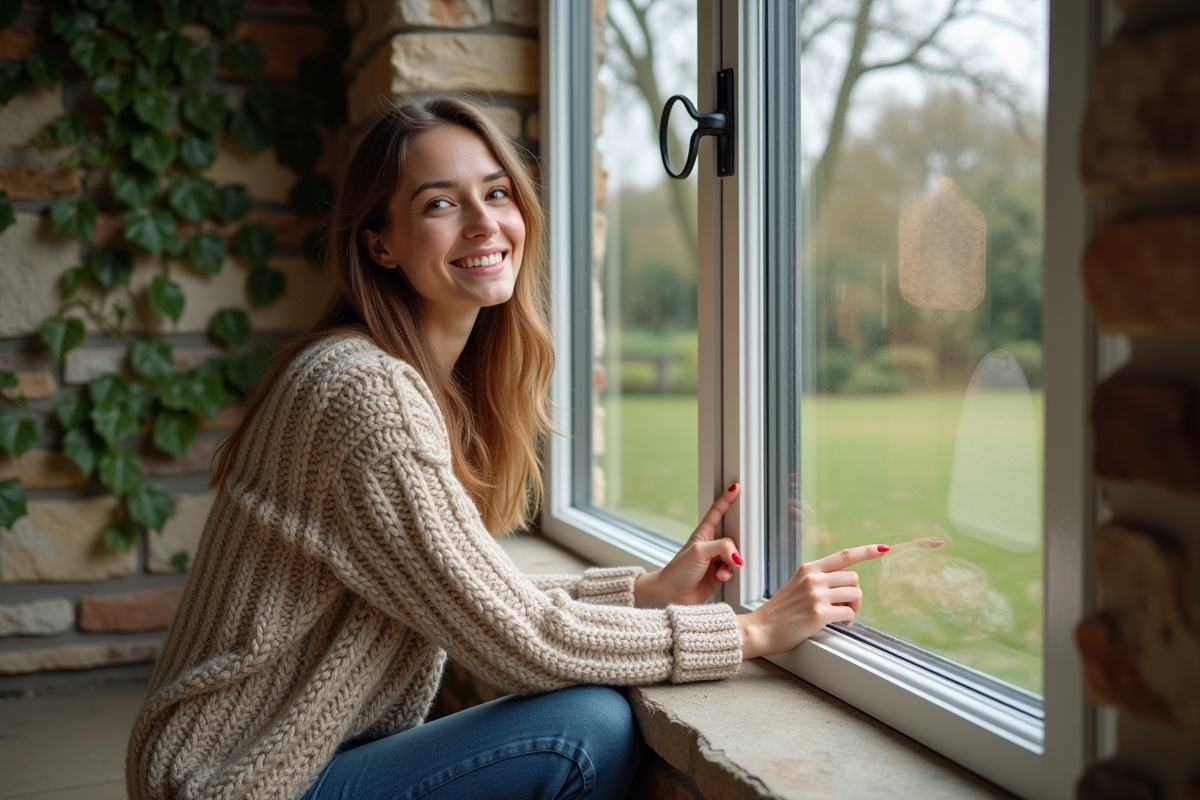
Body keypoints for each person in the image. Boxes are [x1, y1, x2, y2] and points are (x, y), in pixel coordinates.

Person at [125, 94, 890, 800]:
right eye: (439, 204)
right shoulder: (365, 394)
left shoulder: (415, 382)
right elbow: (517, 643)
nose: (484, 223)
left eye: (496, 193)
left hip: (265, 764)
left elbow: (475, 596)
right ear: (381, 246)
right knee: (585, 727)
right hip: (236, 782)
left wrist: (646, 593)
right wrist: (750, 631)